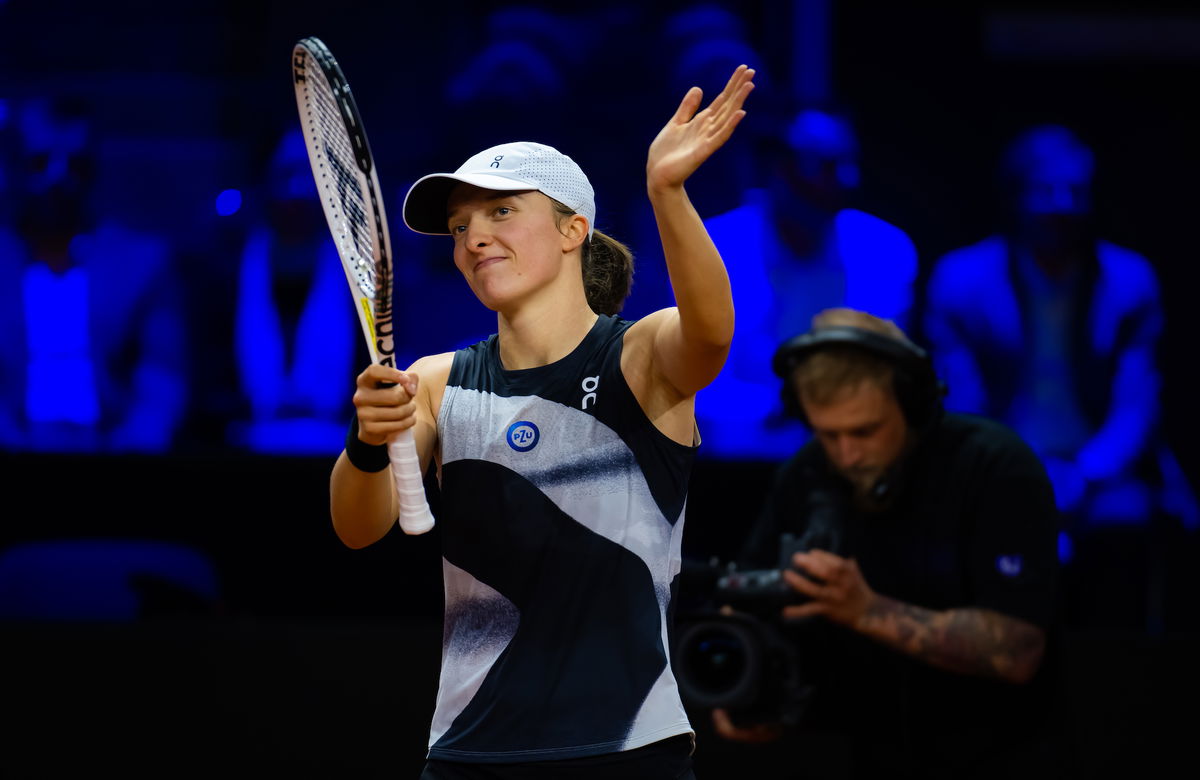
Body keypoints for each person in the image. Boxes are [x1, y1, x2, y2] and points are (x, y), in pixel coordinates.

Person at [329, 66, 756, 778]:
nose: (473, 238)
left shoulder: (637, 357)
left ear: (572, 230)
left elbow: (712, 334)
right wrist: (368, 442)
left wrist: (667, 193)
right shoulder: (437, 383)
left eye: (501, 213)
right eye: (460, 226)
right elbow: (355, 526)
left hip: (627, 750)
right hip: (471, 753)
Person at [704, 308, 1068, 780]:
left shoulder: (996, 467)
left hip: (1002, 760)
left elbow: (1018, 651)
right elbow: (749, 605)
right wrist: (742, 683)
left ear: (913, 404)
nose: (847, 455)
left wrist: (867, 611)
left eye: (865, 431)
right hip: (866, 758)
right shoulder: (807, 472)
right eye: (828, 434)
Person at [922, 124, 1197, 629]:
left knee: (1127, 529)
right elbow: (962, 402)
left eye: (1075, 192)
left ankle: (1121, 680)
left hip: (1099, 473)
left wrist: (1085, 474)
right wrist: (1024, 471)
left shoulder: (1129, 281)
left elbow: (1136, 405)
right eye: (1046, 191)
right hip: (1000, 463)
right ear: (1016, 198)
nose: (1062, 206)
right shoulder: (962, 281)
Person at [694, 107, 918, 460]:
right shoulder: (713, 245)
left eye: (849, 164)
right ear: (778, 170)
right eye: (826, 167)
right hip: (736, 465)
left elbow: (890, 376)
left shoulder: (885, 250)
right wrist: (781, 408)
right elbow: (696, 384)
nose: (847, 181)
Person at [0, 95, 186, 453]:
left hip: (112, 452)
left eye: (76, 165)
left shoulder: (140, 261)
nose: (58, 178)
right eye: (40, 163)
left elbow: (163, 375)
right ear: (15, 168)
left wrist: (135, 445)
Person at [229, 127, 356, 454]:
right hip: (244, 448)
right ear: (266, 181)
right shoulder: (229, 268)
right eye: (286, 174)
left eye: (309, 173)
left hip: (343, 449)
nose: (296, 189)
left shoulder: (367, 272)